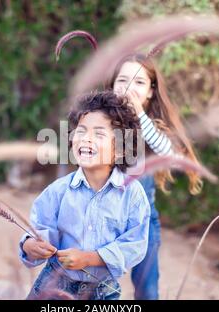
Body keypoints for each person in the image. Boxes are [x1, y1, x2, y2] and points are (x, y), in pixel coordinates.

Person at [19, 91, 151, 300]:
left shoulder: (132, 194)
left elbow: (135, 244)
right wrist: (31, 246)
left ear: (120, 149)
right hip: (54, 285)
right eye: (81, 131)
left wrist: (91, 258)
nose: (86, 139)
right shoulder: (58, 191)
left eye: (99, 134)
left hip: (102, 291)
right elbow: (39, 229)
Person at [108, 53, 203, 300]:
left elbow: (169, 153)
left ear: (151, 91)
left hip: (143, 222)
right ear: (112, 86)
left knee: (147, 290)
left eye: (139, 82)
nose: (129, 87)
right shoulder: (102, 120)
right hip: (103, 218)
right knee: (101, 288)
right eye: (123, 80)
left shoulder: (152, 125)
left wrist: (138, 114)